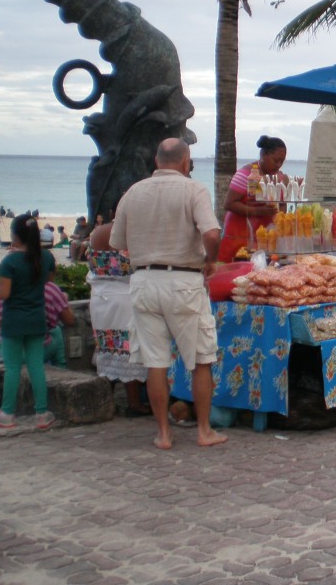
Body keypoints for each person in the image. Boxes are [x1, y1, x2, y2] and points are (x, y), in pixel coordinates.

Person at [109, 138, 226, 449]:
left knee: (155, 362)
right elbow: (212, 233)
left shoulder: (134, 192)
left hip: (144, 280)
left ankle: (163, 433)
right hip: (183, 281)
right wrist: (211, 260)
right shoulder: (193, 189)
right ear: (186, 161)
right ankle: (204, 431)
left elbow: (117, 240)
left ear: (156, 160)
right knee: (201, 358)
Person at [0, 214, 58, 429]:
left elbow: (3, 293)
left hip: (14, 321)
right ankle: (42, 413)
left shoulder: (10, 261)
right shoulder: (46, 258)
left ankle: (7, 413)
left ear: (15, 236)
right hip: (36, 319)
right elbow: (48, 280)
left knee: (12, 367)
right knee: (36, 366)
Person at [87, 220, 150, 417]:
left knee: (107, 346)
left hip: (100, 296)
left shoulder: (97, 233)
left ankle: (107, 401)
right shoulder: (127, 233)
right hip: (124, 295)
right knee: (128, 349)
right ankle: (134, 403)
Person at [217, 135, 288, 261]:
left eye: (282, 161)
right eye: (275, 160)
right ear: (263, 155)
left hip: (264, 240)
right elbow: (229, 203)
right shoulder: (245, 174)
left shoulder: (280, 177)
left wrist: (280, 218)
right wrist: (257, 211)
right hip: (239, 238)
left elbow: (282, 204)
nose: (278, 165)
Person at [0, 279, 74, 368]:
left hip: (7, 351)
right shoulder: (49, 287)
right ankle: (60, 367)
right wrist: (64, 299)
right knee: (56, 331)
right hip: (33, 354)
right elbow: (70, 320)